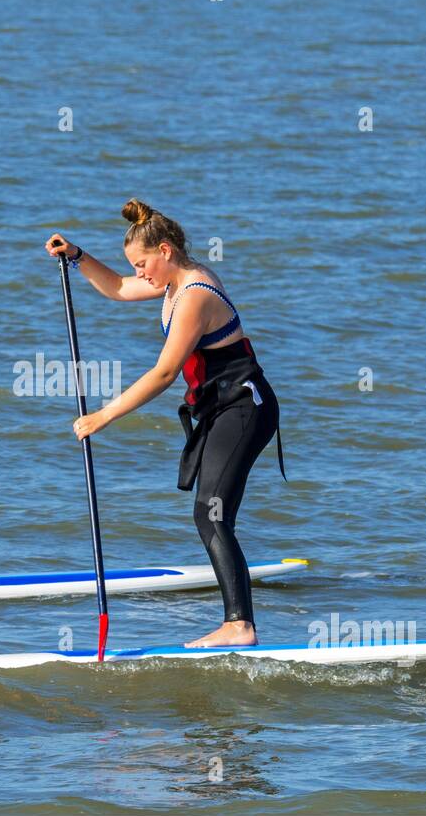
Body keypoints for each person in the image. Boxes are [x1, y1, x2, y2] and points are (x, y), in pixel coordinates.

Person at [44, 199, 284, 646]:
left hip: (245, 407)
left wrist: (104, 414)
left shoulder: (193, 293)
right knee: (211, 514)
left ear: (166, 251)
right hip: (221, 408)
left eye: (143, 264)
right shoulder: (172, 283)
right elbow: (116, 287)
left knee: (211, 513)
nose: (140, 274)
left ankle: (240, 626)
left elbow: (164, 373)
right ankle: (238, 622)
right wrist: (77, 257)